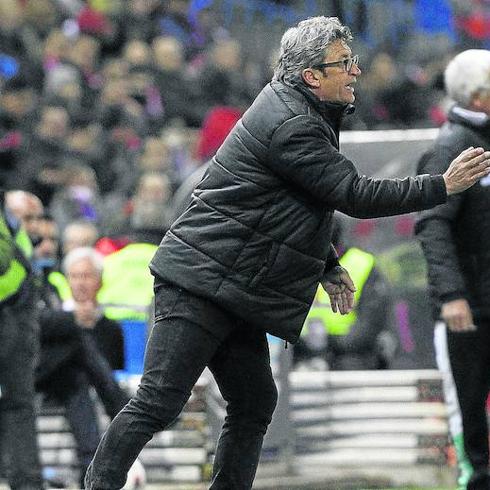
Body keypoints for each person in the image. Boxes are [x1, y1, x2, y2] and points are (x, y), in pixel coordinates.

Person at [85, 17, 490, 490]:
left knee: (254, 402)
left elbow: (289, 208)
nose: (355, 71)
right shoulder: (292, 123)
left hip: (232, 284)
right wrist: (442, 185)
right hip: (200, 282)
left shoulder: (302, 111)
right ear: (311, 76)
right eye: (343, 64)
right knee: (159, 400)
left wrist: (328, 263)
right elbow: (352, 194)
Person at [415, 49, 490, 490]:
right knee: (467, 407)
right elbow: (432, 225)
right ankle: (474, 479)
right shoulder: (451, 147)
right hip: (468, 311)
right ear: (478, 98)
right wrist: (451, 295)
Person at [297, 217, 395, 370]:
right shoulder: (297, 264)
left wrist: (332, 344)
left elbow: (368, 325)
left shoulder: (362, 264)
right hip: (300, 351)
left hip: (348, 354)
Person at [0, 190, 43, 490]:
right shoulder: (12, 228)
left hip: (14, 318)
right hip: (18, 318)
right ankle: (27, 484)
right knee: (20, 406)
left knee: (19, 405)